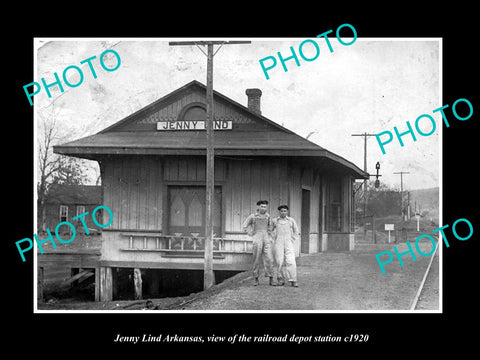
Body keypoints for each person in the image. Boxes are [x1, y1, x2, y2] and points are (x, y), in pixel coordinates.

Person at [242, 200, 275, 286]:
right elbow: (245, 226)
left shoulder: (268, 216)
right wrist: (250, 233)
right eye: (262, 206)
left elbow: (270, 227)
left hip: (266, 238)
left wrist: (271, 236)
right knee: (256, 258)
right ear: (258, 207)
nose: (263, 208)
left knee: (269, 258)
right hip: (257, 237)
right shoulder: (253, 216)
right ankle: (256, 279)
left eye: (265, 207)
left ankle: (271, 278)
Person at [272, 205, 299, 287]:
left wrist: (292, 239)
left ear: (287, 212)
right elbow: (269, 231)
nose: (283, 212)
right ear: (279, 212)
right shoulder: (275, 221)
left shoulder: (291, 220)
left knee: (291, 261)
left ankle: (293, 280)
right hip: (278, 243)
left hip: (288, 243)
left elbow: (296, 231)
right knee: (279, 261)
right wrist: (274, 239)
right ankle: (280, 279)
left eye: (285, 211)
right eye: (281, 211)